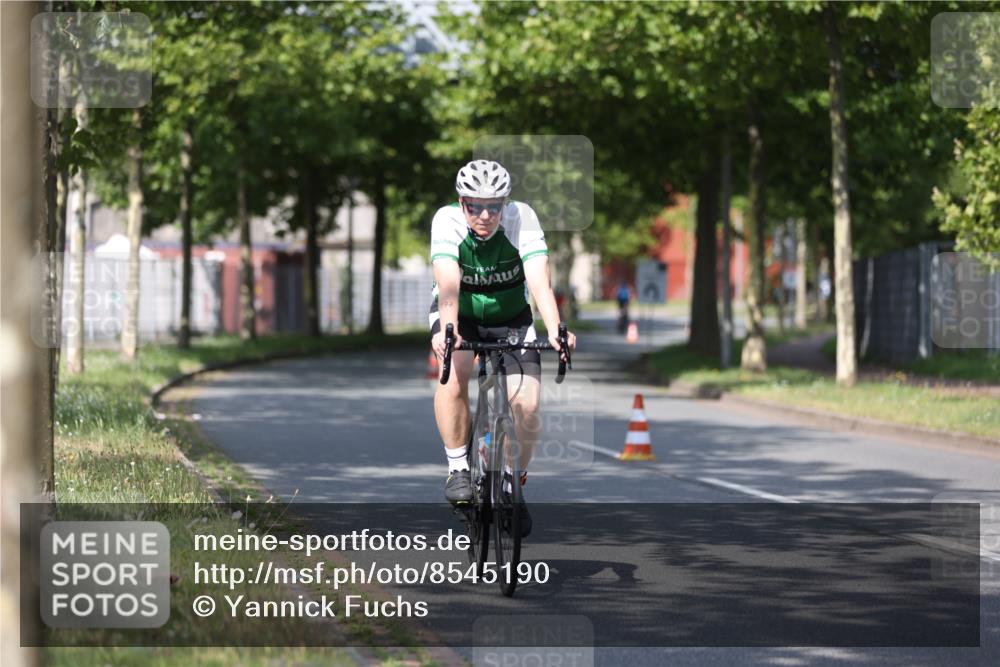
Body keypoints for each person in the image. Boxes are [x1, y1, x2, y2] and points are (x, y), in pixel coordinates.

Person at [429, 159, 576, 536]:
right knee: (454, 371)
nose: (484, 214)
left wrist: (557, 330)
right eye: (475, 205)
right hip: (459, 313)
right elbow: (448, 284)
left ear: (505, 204)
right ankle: (458, 467)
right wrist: (448, 330)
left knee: (526, 405)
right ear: (462, 204)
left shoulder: (522, 219)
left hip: (513, 318)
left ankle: (514, 481)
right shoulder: (446, 222)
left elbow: (539, 281)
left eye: (494, 206)